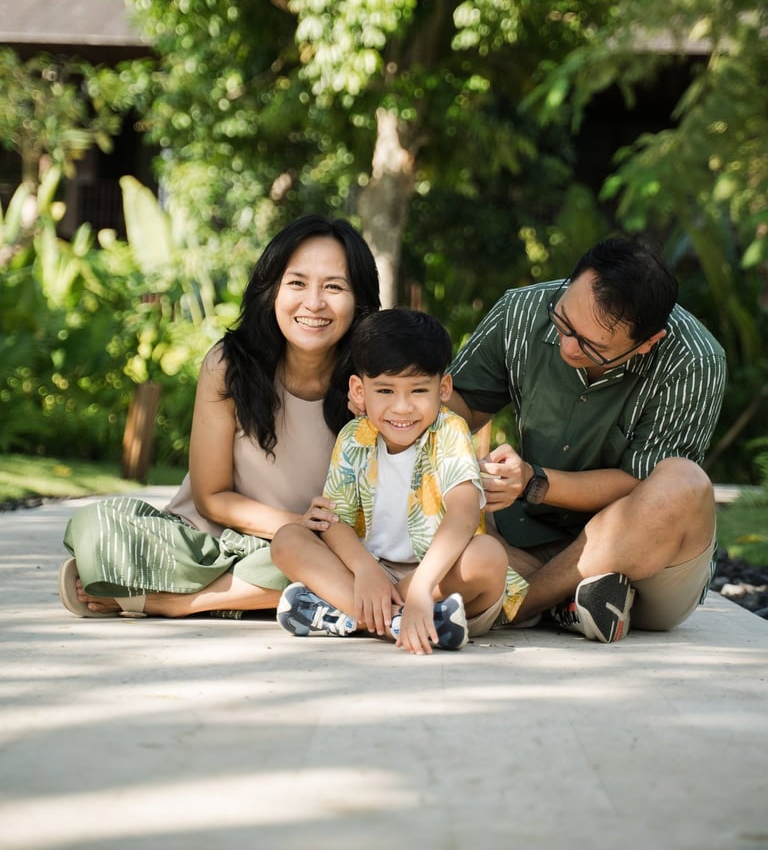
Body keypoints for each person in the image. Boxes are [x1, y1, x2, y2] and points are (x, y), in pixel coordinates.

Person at [57, 213, 381, 619]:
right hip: (208, 545)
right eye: (297, 283)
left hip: (312, 548)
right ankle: (285, 592)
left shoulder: (375, 381)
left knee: (352, 557)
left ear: (360, 301)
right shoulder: (230, 364)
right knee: (96, 525)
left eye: (334, 287)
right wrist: (296, 522)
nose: (313, 303)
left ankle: (174, 602)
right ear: (271, 290)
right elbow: (211, 498)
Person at [447, 233, 727, 643]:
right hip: (521, 539)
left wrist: (533, 480)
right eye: (563, 322)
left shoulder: (695, 360)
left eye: (592, 346)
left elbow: (642, 485)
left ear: (648, 343)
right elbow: (462, 403)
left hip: (647, 563)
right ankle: (576, 601)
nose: (566, 346)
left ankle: (517, 606)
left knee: (684, 483)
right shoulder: (520, 311)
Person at [270, 309, 528, 654]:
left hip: (439, 581)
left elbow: (463, 515)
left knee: (489, 556)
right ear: (359, 392)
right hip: (371, 577)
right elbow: (334, 521)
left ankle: (356, 616)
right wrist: (364, 570)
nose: (402, 408)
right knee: (288, 539)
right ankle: (408, 623)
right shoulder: (353, 437)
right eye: (386, 391)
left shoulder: (450, 432)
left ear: (444, 388)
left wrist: (422, 586)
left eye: (419, 390)